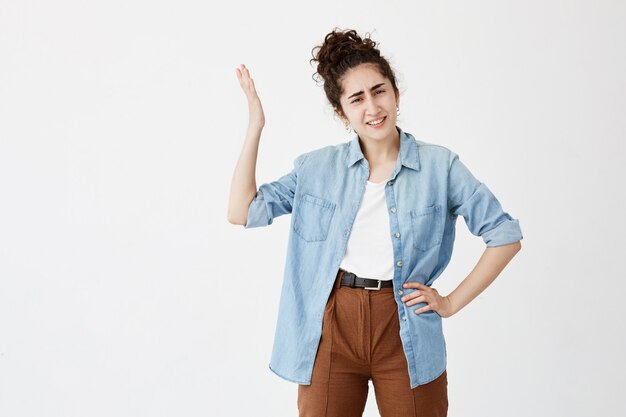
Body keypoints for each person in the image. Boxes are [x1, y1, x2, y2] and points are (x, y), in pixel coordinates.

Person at [228, 27, 523, 417]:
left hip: (406, 328)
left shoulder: (440, 166)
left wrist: (450, 302)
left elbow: (505, 236)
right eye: (357, 98)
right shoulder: (316, 169)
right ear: (342, 112)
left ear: (395, 93)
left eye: (379, 91)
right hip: (331, 325)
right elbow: (242, 211)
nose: (372, 107)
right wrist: (255, 126)